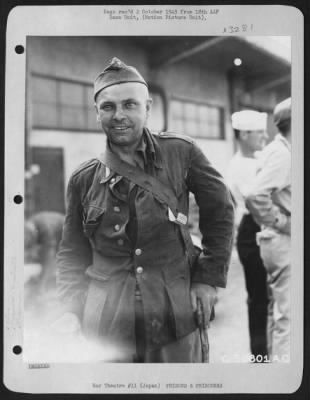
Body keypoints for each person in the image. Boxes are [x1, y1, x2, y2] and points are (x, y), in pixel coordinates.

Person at [55, 57, 234, 363]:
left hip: (174, 314)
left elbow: (221, 211)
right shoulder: (83, 178)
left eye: (129, 105)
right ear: (96, 113)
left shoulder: (182, 152)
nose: (119, 115)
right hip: (107, 324)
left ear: (148, 108)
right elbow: (72, 251)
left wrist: (207, 277)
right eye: (108, 107)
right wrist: (70, 309)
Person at [245, 98, 291, 362]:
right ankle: (285, 378)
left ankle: (274, 368)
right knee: (289, 319)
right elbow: (255, 195)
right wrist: (283, 222)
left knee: (280, 314)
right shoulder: (284, 154)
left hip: (274, 240)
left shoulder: (278, 149)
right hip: (283, 240)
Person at [226, 110, 269, 360]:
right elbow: (258, 201)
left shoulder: (263, 157)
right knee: (258, 297)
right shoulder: (238, 166)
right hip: (251, 229)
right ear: (244, 134)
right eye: (259, 132)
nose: (265, 136)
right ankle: (260, 354)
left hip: (265, 226)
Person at [25, 211, 65, 296]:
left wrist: (42, 284)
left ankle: (45, 287)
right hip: (60, 234)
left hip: (70, 231)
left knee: (49, 260)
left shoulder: (45, 228)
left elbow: (49, 258)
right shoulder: (32, 223)